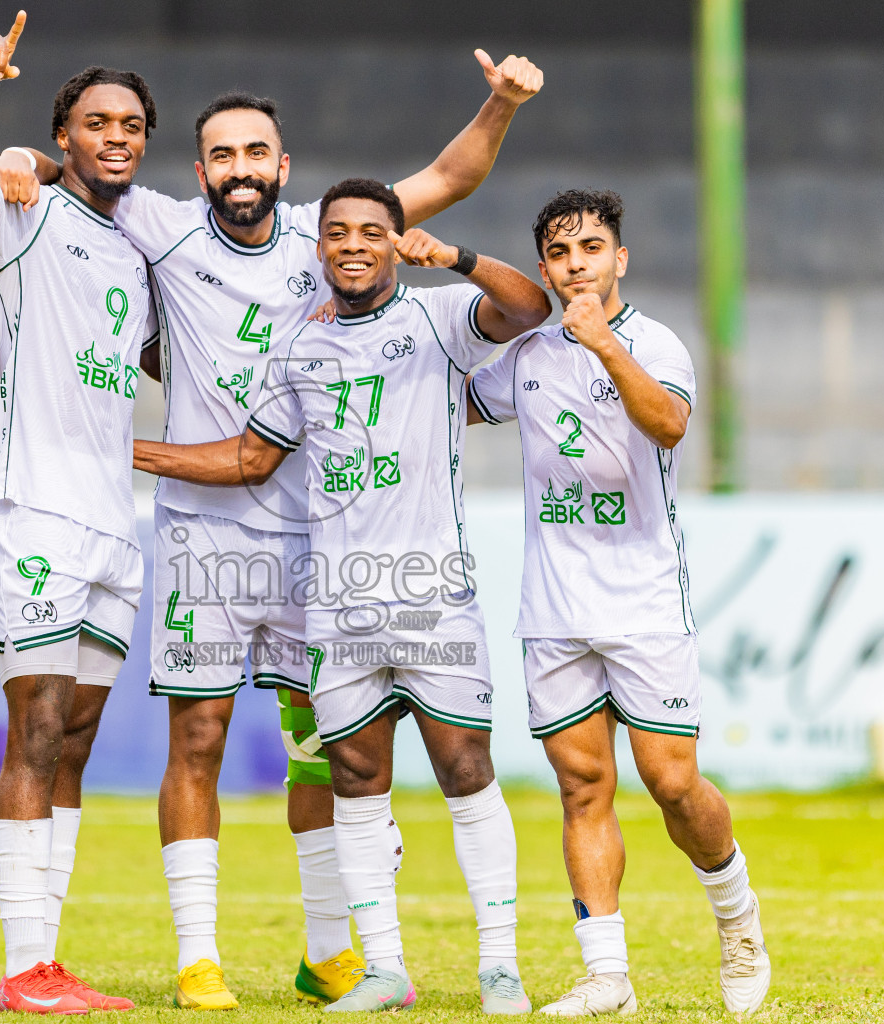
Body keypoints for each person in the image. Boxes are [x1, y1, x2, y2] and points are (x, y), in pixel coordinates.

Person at [0, 54, 544, 1010]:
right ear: (198, 170)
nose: (238, 166)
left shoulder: (320, 238)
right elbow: (81, 167)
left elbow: (445, 182)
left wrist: (500, 103)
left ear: (283, 166)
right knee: (197, 740)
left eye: (255, 151)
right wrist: (20, 158)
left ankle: (329, 947)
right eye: (219, 154)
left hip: (310, 546)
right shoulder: (160, 227)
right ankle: (198, 956)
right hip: (205, 539)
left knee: (321, 749)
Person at [132, 178, 550, 1014]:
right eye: (336, 233)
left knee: (465, 766)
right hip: (336, 598)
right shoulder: (300, 350)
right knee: (354, 774)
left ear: (395, 242)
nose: (352, 244)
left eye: (370, 230)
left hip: (430, 589)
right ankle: (384, 968)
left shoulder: (437, 319)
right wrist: (125, 451)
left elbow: (529, 309)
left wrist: (459, 258)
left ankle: (499, 964)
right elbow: (251, 459)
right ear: (317, 248)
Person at [464, 189, 772, 1016]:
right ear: (544, 270)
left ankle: (737, 917)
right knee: (581, 787)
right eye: (561, 255)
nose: (578, 267)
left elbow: (667, 426)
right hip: (553, 609)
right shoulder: (524, 355)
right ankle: (608, 975)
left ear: (619, 259)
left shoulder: (657, 344)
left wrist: (602, 347)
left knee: (672, 783)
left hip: (642, 602)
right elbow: (452, 404)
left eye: (591, 249)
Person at [0, 12, 157, 1013]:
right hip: (34, 510)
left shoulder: (141, 255)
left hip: (115, 522)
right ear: (64, 137)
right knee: (38, 725)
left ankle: (49, 960)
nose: (116, 135)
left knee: (79, 737)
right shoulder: (22, 212)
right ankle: (24, 970)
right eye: (97, 120)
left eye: (133, 124)